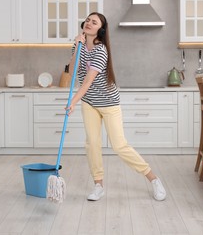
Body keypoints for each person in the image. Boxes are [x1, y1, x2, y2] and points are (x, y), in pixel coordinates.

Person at [66, 12, 166, 201]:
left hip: (108, 102)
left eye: (94, 22)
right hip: (89, 102)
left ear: (100, 30)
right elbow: (71, 72)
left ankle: (153, 179)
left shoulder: (101, 50)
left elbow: (87, 82)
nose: (89, 23)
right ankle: (98, 185)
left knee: (119, 145)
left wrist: (72, 102)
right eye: (87, 20)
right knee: (92, 144)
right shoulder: (77, 45)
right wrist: (77, 46)